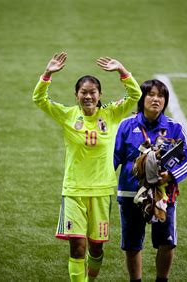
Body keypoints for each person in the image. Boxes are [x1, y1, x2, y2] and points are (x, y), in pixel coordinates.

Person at [33, 52, 142, 281]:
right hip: (74, 190)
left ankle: (91, 278)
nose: (88, 96)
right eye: (83, 92)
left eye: (93, 92)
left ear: (100, 94)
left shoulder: (111, 113)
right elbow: (39, 100)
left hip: (102, 191)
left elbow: (135, 94)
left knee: (96, 248)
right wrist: (47, 74)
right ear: (76, 95)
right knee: (77, 248)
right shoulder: (67, 115)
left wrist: (121, 70)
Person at [114, 79, 187, 281]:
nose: (156, 99)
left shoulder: (174, 127)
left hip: (163, 195)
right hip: (131, 195)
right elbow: (112, 159)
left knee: (167, 242)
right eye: (151, 94)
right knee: (132, 245)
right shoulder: (126, 126)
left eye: (160, 96)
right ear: (142, 99)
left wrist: (172, 175)